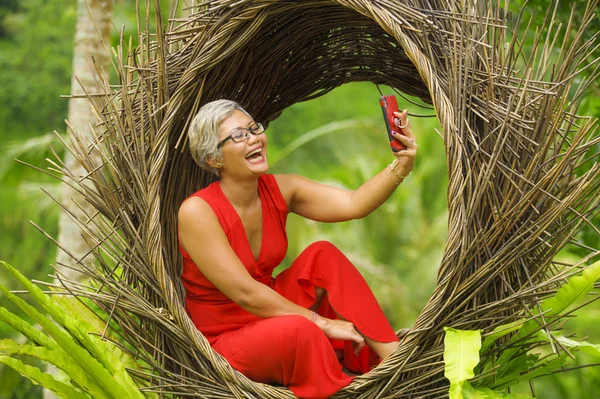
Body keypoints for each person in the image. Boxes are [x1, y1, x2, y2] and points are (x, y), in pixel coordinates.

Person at [178, 99, 417, 399]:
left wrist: (402, 164)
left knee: (322, 255)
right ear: (214, 158)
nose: (254, 138)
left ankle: (396, 360)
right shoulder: (197, 212)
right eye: (239, 135)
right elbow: (245, 294)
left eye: (254, 129)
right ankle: (346, 388)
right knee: (302, 330)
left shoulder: (282, 188)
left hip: (271, 310)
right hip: (225, 338)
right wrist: (322, 323)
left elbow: (354, 203)